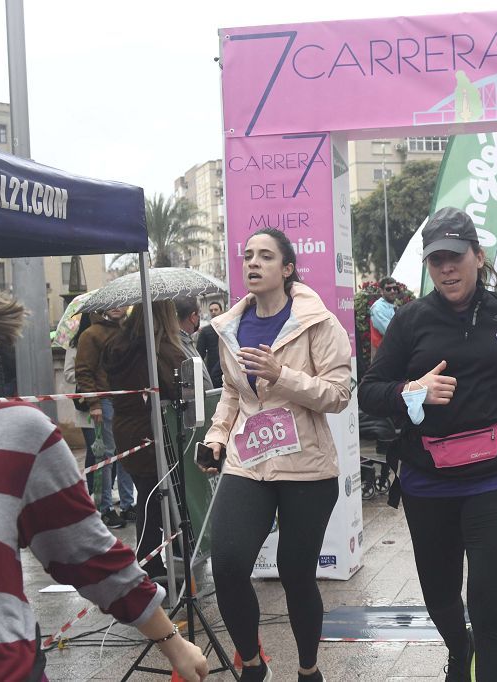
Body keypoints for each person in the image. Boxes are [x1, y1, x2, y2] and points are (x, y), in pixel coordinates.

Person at [359, 206, 497, 682]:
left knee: (489, 602)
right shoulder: (411, 320)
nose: (446, 268)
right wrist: (410, 391)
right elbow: (369, 391)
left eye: (455, 257)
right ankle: (457, 646)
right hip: (429, 480)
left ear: (478, 257)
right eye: (436, 260)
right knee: (441, 597)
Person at [0, 279, 208, 682]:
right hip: (137, 429)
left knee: (157, 509)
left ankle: (162, 573)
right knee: (151, 508)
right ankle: (158, 567)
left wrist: (171, 641)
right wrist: (98, 401)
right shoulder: (112, 340)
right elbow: (89, 373)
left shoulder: (16, 434)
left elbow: (87, 554)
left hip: (1, 668)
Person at [202, 227, 352, 682]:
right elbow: (231, 392)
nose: (253, 263)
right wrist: (217, 436)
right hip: (248, 462)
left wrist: (281, 375)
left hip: (307, 468)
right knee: (226, 565)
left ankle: (308, 670)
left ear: (287, 269)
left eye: (266, 256)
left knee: (295, 573)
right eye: (248, 255)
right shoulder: (229, 327)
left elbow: (338, 394)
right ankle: (252, 663)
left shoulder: (319, 322)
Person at [103, 301, 187, 580]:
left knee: (147, 497)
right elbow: (179, 386)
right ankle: (152, 563)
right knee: (158, 499)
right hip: (152, 431)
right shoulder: (157, 349)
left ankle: (152, 560)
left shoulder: (117, 344)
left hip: (125, 428)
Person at [75, 306, 137, 526]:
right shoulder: (91, 334)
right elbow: (83, 371)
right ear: (103, 308)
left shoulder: (128, 330)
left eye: (121, 304)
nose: (118, 308)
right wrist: (94, 403)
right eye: (113, 305)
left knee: (126, 453)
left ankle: (128, 504)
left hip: (126, 401)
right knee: (106, 456)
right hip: (105, 402)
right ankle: (105, 508)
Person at [175, 296, 214, 390]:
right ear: (193, 317)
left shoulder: (185, 339)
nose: (199, 318)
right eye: (199, 313)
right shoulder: (178, 343)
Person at [197, 301, 225, 388]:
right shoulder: (205, 331)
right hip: (213, 372)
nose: (213, 312)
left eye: (216, 309)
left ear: (221, 311)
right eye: (211, 310)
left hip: (228, 369)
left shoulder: (229, 327)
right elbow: (200, 354)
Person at [369, 276, 399, 356]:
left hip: (392, 354)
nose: (393, 291)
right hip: (382, 356)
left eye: (395, 288)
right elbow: (391, 331)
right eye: (388, 289)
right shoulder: (377, 308)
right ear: (381, 291)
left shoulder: (393, 306)